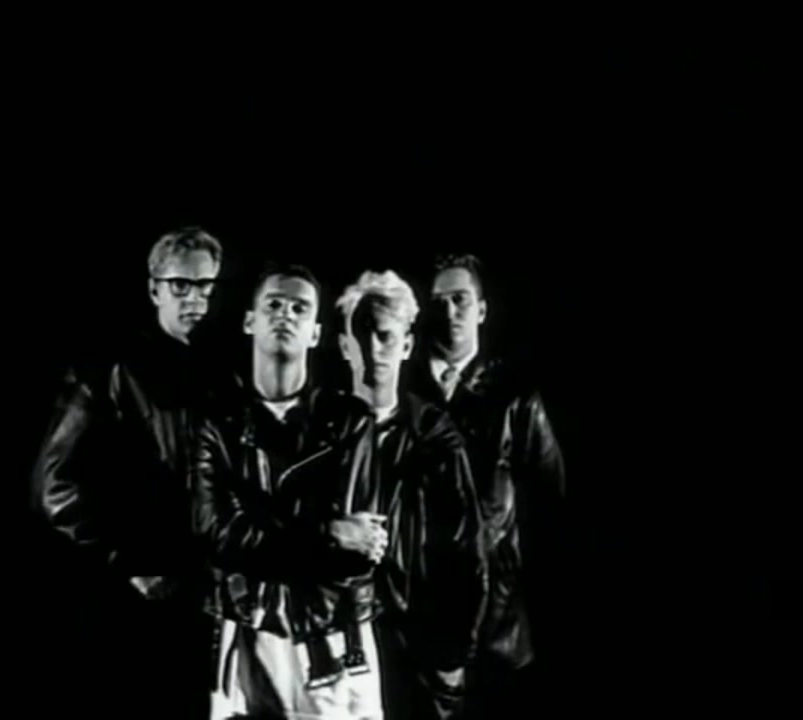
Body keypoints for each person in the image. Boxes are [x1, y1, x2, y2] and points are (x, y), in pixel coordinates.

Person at [30, 226, 226, 718]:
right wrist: (129, 561)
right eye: (181, 285)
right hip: (127, 605)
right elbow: (54, 485)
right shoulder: (110, 370)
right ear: (154, 289)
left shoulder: (220, 376)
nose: (195, 299)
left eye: (205, 286)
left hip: (203, 601)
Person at [194, 263, 391, 719]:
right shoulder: (219, 425)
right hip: (247, 628)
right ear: (250, 321)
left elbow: (356, 554)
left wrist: (256, 525)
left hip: (332, 634)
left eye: (299, 308)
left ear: (316, 333)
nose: (285, 314)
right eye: (274, 304)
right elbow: (216, 535)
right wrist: (328, 531)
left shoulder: (349, 422)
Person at [408, 254, 567, 719]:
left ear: (481, 309)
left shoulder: (515, 398)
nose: (449, 311)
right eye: (439, 301)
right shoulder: (401, 391)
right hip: (418, 622)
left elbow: (552, 503)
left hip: (500, 629)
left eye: (460, 299)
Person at [334, 270, 489, 720]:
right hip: (334, 640)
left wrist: (453, 653)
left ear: (405, 345)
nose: (373, 349)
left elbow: (467, 549)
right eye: (362, 334)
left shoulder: (434, 436)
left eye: (385, 336)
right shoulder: (320, 432)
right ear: (343, 345)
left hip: (413, 644)